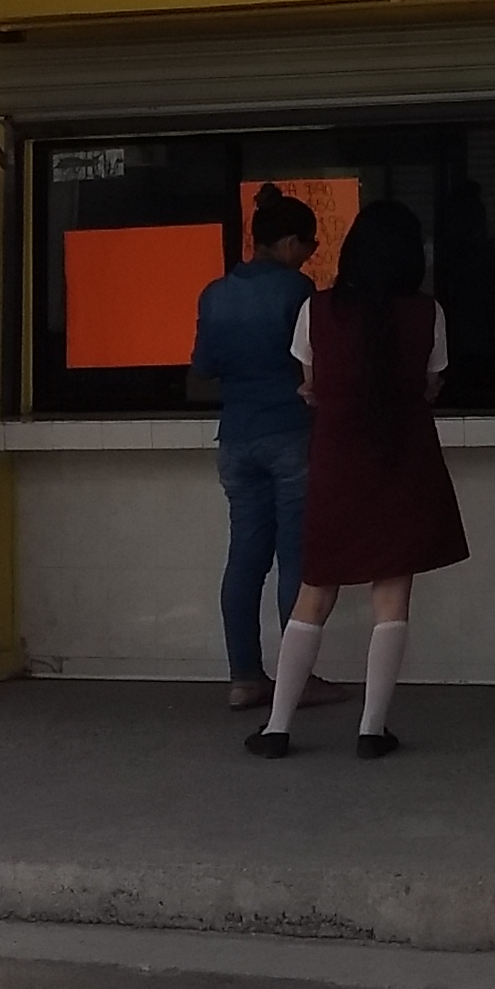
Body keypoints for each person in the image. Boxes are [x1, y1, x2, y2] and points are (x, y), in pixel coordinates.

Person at [248, 198, 465, 758]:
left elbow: (314, 381)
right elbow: (430, 383)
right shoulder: (428, 312)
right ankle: (372, 729)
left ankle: (277, 728)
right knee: (391, 594)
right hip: (403, 456)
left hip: (337, 458)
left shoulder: (316, 311)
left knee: (313, 591)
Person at [190, 187, 347, 715]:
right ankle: (295, 680)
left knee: (244, 560)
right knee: (295, 561)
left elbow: (202, 370)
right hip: (290, 433)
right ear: (286, 242)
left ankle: (244, 678)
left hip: (236, 437)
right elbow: (316, 364)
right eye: (309, 244)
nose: (311, 254)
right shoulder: (297, 291)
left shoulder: (214, 292)